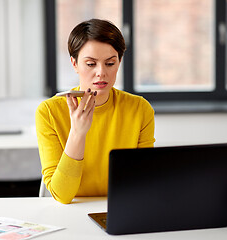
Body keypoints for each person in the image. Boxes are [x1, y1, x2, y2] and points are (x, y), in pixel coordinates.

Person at [36, 19, 155, 204]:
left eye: (110, 63)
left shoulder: (139, 109)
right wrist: (77, 133)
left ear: (119, 62)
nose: (101, 72)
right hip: (71, 213)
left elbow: (144, 183)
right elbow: (62, 195)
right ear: (74, 64)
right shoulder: (49, 112)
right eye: (91, 64)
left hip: (121, 207)